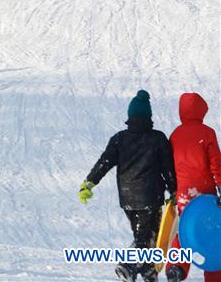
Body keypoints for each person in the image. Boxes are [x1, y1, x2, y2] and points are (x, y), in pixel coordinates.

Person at [78, 90, 176, 282]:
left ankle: (149, 272)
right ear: (149, 116)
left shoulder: (119, 139)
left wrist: (89, 182)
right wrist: (174, 189)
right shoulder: (157, 138)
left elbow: (103, 163)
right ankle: (128, 265)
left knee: (148, 235)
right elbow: (168, 169)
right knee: (145, 237)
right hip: (149, 197)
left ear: (130, 116)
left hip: (127, 197)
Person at [164, 93, 221, 282]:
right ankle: (214, 275)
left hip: (184, 194)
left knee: (185, 229)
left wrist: (173, 189)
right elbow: (216, 164)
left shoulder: (175, 135)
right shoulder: (207, 133)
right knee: (213, 232)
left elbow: (169, 166)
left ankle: (176, 267)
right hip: (205, 194)